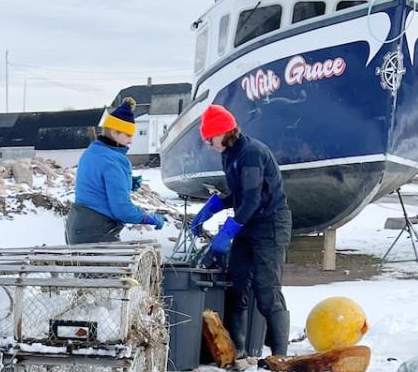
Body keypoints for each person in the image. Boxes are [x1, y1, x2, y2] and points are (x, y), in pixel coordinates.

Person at [188, 103, 292, 356]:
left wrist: (228, 232)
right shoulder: (230, 154)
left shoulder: (252, 153)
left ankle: (280, 355)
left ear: (223, 132)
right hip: (248, 223)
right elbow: (239, 194)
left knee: (266, 289)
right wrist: (214, 206)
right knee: (237, 285)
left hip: (270, 223)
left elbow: (253, 199)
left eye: (209, 137)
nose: (208, 143)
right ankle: (240, 352)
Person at [65, 98, 166, 244]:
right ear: (114, 132)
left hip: (78, 226)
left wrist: (127, 183)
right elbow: (122, 210)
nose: (131, 141)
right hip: (96, 232)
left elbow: (96, 184)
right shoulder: (114, 160)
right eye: (128, 135)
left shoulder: (92, 151)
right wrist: (149, 217)